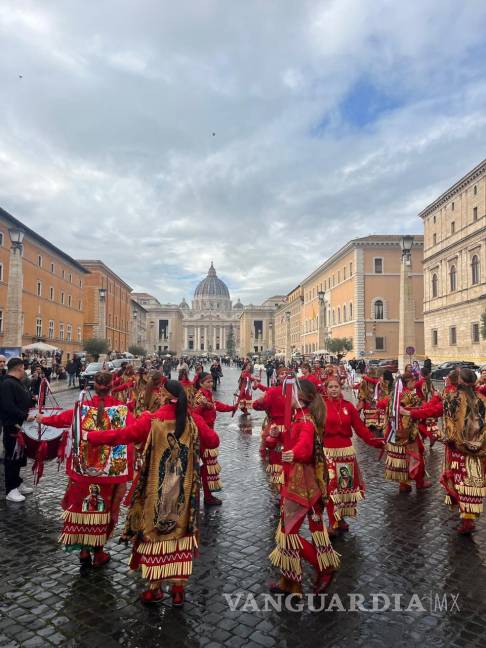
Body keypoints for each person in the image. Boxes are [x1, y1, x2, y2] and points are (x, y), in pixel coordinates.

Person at [85, 381, 219, 606]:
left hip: (155, 489)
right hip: (184, 493)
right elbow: (213, 440)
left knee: (155, 532)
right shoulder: (192, 419)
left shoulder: (152, 419)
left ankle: (154, 588)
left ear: (164, 395)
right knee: (180, 532)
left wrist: (93, 437)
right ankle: (178, 589)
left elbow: (123, 435)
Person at [37, 371, 134, 573]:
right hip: (109, 474)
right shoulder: (121, 410)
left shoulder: (80, 409)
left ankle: (83, 552)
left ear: (94, 386)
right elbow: (135, 432)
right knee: (103, 512)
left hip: (82, 472)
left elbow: (60, 419)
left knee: (81, 510)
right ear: (111, 387)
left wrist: (41, 418)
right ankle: (98, 552)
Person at [268, 379, 340, 597]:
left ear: (300, 398)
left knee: (289, 532)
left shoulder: (306, 421)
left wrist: (293, 453)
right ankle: (289, 582)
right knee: (295, 529)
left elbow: (305, 447)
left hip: (301, 484)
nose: (286, 396)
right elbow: (292, 439)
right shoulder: (298, 418)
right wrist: (276, 435)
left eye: (291, 393)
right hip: (300, 480)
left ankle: (323, 567)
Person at [323, 378, 384, 535]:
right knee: (331, 488)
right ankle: (332, 521)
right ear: (326, 389)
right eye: (330, 387)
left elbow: (360, 429)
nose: (334, 389)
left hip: (345, 454)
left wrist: (376, 442)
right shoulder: (321, 406)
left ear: (340, 388)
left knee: (344, 488)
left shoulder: (348, 407)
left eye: (336, 386)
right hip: (328, 453)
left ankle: (341, 518)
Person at [381, 372, 431, 493]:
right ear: (407, 383)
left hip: (395, 433)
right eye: (413, 381)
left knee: (402, 458)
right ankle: (419, 482)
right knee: (417, 455)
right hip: (409, 433)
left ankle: (404, 484)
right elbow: (422, 408)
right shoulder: (409, 396)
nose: (415, 383)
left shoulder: (394, 395)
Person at [192, 372, 235, 506]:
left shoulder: (208, 395)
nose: (211, 384)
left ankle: (206, 495)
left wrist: (232, 408)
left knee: (207, 467)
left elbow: (216, 406)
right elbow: (193, 415)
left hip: (208, 433)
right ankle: (207, 496)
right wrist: (202, 407)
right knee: (206, 467)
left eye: (211, 381)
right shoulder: (199, 396)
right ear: (201, 383)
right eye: (208, 382)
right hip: (202, 435)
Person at [0, 358, 35, 502]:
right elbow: (8, 406)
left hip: (21, 427)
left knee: (19, 457)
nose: (25, 371)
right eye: (24, 368)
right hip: (12, 426)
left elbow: (21, 400)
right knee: (12, 459)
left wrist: (31, 400)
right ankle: (10, 490)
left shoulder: (17, 382)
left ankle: (17, 483)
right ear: (19, 368)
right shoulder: (7, 383)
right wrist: (25, 415)